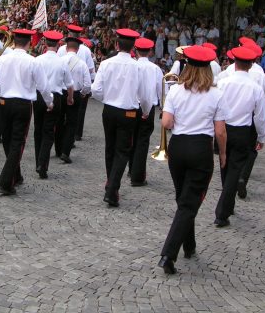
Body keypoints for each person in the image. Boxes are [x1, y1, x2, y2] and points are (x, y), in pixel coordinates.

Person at [158, 45, 227, 275]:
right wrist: (223, 154)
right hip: (200, 148)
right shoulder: (216, 94)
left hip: (178, 146)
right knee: (189, 202)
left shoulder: (175, 91)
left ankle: (189, 245)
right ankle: (168, 254)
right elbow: (220, 132)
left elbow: (166, 123)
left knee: (184, 198)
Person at [0, 29, 53, 196]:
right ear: (29, 43)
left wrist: (3, 91)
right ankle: (5, 182)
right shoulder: (33, 61)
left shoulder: (1, 59)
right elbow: (43, 87)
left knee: (8, 140)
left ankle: (16, 175)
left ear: (14, 42)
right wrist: (49, 102)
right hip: (23, 104)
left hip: (5, 102)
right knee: (17, 142)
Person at [91, 28, 152, 207]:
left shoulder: (106, 63)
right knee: (122, 151)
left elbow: (96, 90)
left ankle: (111, 183)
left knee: (110, 148)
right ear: (133, 47)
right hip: (128, 112)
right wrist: (146, 110)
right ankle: (112, 188)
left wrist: (108, 98)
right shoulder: (137, 67)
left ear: (117, 45)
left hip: (109, 110)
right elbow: (145, 95)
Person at [214, 47, 265, 228]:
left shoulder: (223, 83)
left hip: (223, 128)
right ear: (251, 65)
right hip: (242, 131)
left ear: (234, 62)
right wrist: (261, 137)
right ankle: (223, 212)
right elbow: (261, 117)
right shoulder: (255, 88)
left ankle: (227, 204)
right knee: (234, 170)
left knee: (224, 166)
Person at [34, 30, 73, 178]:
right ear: (58, 44)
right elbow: (69, 84)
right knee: (49, 131)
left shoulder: (38, 60)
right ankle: (42, 164)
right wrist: (70, 98)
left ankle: (38, 162)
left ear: (45, 43)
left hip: (39, 96)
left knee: (38, 129)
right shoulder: (62, 62)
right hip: (55, 96)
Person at [129, 37, 162, 186]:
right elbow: (161, 91)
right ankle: (138, 176)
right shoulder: (155, 69)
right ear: (150, 52)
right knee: (143, 141)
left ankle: (131, 168)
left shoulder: (132, 66)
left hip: (131, 106)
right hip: (148, 109)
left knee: (132, 138)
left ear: (136, 50)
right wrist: (163, 107)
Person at [55, 36, 91, 164]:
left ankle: (58, 149)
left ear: (66, 48)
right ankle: (66, 152)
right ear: (78, 49)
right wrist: (83, 93)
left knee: (59, 120)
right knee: (71, 123)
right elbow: (87, 84)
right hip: (75, 93)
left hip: (60, 92)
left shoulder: (59, 61)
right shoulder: (82, 64)